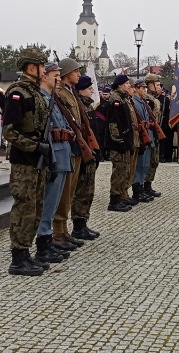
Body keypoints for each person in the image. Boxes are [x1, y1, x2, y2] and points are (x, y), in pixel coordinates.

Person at [1, 48, 52, 276]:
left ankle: (27, 253)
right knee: (24, 206)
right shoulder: (17, 93)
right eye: (42, 65)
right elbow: (9, 132)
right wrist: (35, 146)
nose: (44, 69)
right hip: (24, 160)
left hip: (37, 160)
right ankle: (18, 258)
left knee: (35, 206)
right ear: (32, 67)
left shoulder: (36, 92)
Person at [52, 59, 100, 250]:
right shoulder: (60, 93)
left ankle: (64, 231)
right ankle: (58, 233)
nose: (79, 74)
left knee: (70, 191)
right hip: (69, 147)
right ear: (66, 73)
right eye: (75, 71)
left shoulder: (70, 93)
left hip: (76, 147)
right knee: (64, 193)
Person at [34, 62, 76, 261]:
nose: (58, 79)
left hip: (62, 153)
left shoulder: (52, 98)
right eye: (55, 75)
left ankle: (48, 239)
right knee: (48, 201)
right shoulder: (41, 99)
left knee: (55, 201)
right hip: (53, 155)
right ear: (44, 76)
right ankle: (43, 242)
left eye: (59, 75)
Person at [73, 75, 102, 240]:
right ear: (80, 90)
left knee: (88, 191)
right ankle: (78, 226)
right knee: (81, 191)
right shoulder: (78, 107)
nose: (92, 90)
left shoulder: (88, 107)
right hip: (83, 154)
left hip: (91, 152)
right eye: (89, 88)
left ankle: (83, 223)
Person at [101, 74, 135, 212]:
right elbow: (113, 123)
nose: (129, 85)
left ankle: (121, 197)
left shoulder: (123, 98)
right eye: (127, 83)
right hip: (117, 142)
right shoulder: (115, 99)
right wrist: (119, 140)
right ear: (120, 85)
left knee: (124, 170)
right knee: (118, 171)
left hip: (124, 139)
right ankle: (113, 201)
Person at [132, 79, 157, 202]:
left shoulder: (142, 102)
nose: (144, 90)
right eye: (142, 88)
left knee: (145, 165)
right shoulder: (135, 102)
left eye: (145, 88)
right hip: (142, 137)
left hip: (148, 135)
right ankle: (137, 191)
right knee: (140, 165)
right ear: (135, 88)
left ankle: (141, 188)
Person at [145, 74, 166, 195]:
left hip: (155, 133)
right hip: (150, 133)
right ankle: (144, 186)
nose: (160, 87)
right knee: (148, 161)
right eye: (157, 85)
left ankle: (148, 185)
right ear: (150, 85)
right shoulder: (148, 100)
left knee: (154, 161)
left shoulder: (156, 99)